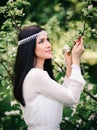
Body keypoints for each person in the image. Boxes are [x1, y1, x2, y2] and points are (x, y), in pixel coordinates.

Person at [13, 25, 86, 130]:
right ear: (30, 47)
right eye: (41, 41)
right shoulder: (36, 75)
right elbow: (72, 98)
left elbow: (66, 99)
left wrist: (69, 64)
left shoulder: (34, 74)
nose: (48, 45)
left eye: (47, 40)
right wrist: (76, 60)